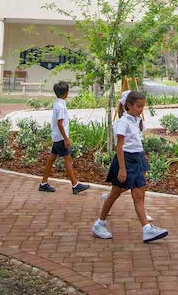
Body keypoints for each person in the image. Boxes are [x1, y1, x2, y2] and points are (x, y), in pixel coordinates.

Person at [92, 90, 167, 243]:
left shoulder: (135, 121)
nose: (141, 110)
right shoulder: (123, 122)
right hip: (125, 160)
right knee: (115, 193)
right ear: (129, 105)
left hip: (137, 158)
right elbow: (119, 147)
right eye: (139, 106)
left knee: (138, 195)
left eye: (142, 106)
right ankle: (99, 223)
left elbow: (136, 142)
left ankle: (147, 230)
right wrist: (122, 168)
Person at [39, 80, 90, 194]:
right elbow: (60, 123)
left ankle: (43, 183)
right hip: (60, 138)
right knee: (68, 160)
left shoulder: (58, 102)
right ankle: (75, 185)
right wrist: (66, 138)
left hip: (56, 136)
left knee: (52, 159)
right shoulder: (61, 106)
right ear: (66, 93)